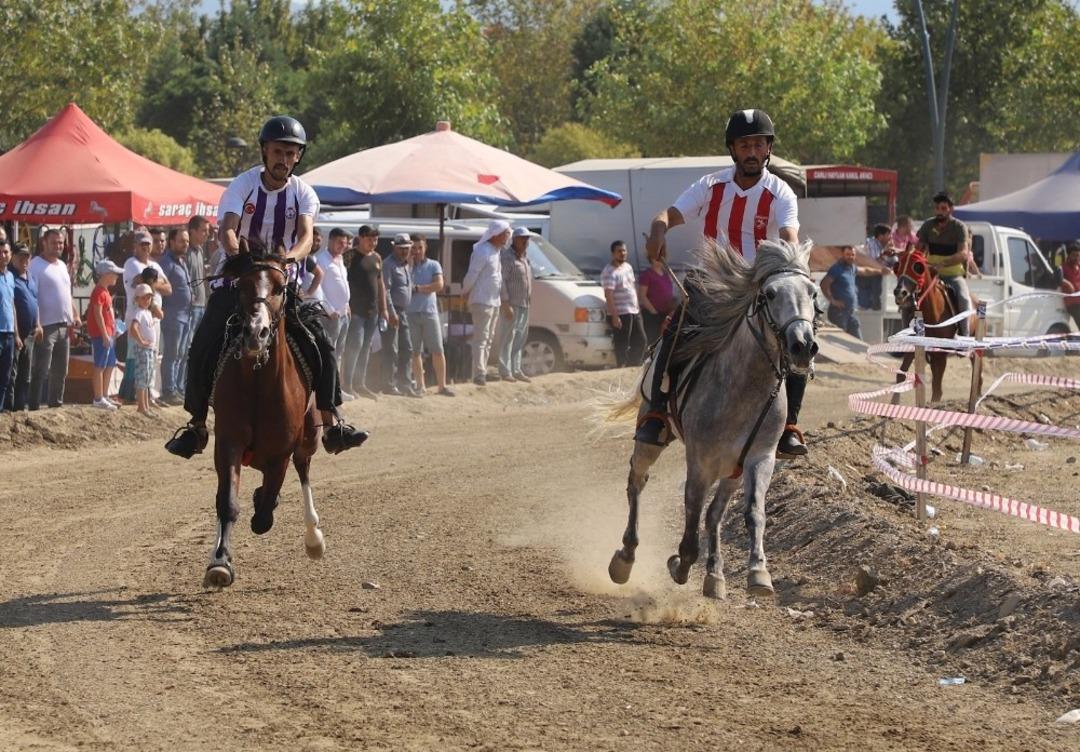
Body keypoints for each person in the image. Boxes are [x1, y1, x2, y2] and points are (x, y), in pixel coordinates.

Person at [166, 115, 368, 458]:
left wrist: (286, 261)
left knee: (323, 346)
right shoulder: (241, 186)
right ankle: (196, 425)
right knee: (201, 344)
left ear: (298, 157)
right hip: (238, 284)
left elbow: (306, 237)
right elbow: (227, 229)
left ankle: (332, 423)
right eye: (278, 152)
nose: (284, 160)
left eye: (292, 154)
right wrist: (237, 255)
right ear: (264, 151)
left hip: (282, 287)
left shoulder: (303, 193)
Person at [636, 108, 809, 456]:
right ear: (733, 149)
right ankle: (655, 412)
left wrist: (792, 260)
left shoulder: (781, 193)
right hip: (711, 284)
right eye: (745, 145)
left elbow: (790, 234)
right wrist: (658, 229)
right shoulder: (710, 185)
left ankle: (790, 424)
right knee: (674, 333)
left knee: (798, 339)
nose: (752, 152)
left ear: (768, 149)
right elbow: (669, 214)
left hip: (757, 287)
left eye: (759, 145)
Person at [29, 229, 81, 410]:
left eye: (60, 243)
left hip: (63, 326)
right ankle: (33, 406)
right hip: (46, 326)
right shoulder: (35, 265)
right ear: (44, 242)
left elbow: (67, 294)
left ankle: (55, 405)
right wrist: (37, 323)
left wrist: (74, 314)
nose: (58, 246)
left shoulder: (61, 265)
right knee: (41, 370)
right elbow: (31, 296)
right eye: (54, 242)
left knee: (61, 370)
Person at [120, 230, 171, 404]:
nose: (145, 247)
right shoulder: (131, 263)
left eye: (148, 244)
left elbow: (168, 288)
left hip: (152, 320)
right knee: (136, 357)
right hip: (138, 315)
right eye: (142, 244)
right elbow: (142, 285)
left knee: (151, 357)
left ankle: (148, 396)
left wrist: (152, 282)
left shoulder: (155, 265)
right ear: (135, 246)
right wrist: (155, 287)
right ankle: (132, 396)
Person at [917, 192, 972, 336]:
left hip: (952, 275)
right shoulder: (928, 225)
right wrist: (900, 252)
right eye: (937, 208)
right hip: (930, 275)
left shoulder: (959, 227)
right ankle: (907, 335)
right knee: (908, 298)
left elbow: (963, 253)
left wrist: (943, 264)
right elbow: (918, 249)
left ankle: (964, 337)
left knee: (964, 298)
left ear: (950, 209)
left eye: (943, 208)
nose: (939, 212)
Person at [462, 220, 509, 386]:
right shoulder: (482, 251)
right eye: (504, 234)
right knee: (481, 338)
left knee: (489, 338)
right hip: (482, 300)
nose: (506, 237)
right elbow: (472, 274)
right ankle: (479, 373)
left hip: (493, 301)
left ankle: (482, 370)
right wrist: (464, 291)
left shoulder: (496, 252)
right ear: (495, 234)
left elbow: (498, 279)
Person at [408, 233, 455, 396]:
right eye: (413, 248)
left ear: (425, 247)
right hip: (411, 313)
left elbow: (439, 285)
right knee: (414, 351)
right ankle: (420, 385)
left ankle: (441, 386)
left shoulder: (434, 265)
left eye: (420, 247)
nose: (417, 251)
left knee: (437, 349)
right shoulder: (407, 266)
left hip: (429, 312)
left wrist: (417, 289)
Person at [342, 225, 385, 399]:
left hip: (372, 311)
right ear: (360, 238)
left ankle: (361, 384)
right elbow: (341, 281)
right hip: (356, 310)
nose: (373, 243)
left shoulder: (377, 257)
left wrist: (384, 309)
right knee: (354, 346)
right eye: (370, 239)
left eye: (375, 239)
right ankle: (348, 384)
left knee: (366, 347)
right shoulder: (349, 257)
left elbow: (381, 284)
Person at [316, 228, 352, 397]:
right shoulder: (321, 260)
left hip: (343, 313)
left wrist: (347, 305)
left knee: (339, 353)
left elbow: (342, 284)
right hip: (330, 315)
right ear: (330, 241)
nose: (342, 246)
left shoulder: (340, 259)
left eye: (344, 244)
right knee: (329, 353)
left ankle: (336, 388)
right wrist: (329, 309)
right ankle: (327, 390)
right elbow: (319, 289)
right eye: (339, 243)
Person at [382, 233, 419, 397]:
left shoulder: (405, 264)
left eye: (406, 248)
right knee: (392, 349)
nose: (404, 251)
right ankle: (389, 384)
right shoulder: (388, 264)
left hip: (403, 311)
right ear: (394, 248)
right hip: (394, 311)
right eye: (401, 248)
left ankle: (405, 383)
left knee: (407, 348)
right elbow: (386, 289)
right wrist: (391, 312)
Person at [821, 245, 884, 340]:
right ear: (842, 255)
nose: (850, 257)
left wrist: (881, 271)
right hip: (839, 313)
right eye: (848, 254)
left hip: (850, 312)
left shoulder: (852, 268)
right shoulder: (836, 269)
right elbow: (824, 284)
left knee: (858, 341)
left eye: (852, 254)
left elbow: (865, 271)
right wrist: (832, 301)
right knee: (841, 342)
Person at [160, 227, 192, 405]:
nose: (185, 244)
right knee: (171, 354)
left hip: (185, 315)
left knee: (181, 354)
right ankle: (168, 390)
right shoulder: (167, 262)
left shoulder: (182, 261)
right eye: (182, 241)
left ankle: (177, 388)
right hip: (172, 316)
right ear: (172, 242)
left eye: (187, 241)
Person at [497, 227, 534, 382]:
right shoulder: (507, 257)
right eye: (522, 238)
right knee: (508, 337)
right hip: (511, 303)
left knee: (520, 337)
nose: (525, 241)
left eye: (527, 238)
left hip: (524, 304)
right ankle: (505, 371)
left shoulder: (525, 258)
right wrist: (505, 303)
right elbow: (502, 281)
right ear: (514, 239)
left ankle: (516, 369)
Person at [602, 240, 646, 368]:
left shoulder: (628, 267)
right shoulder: (609, 272)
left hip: (634, 310)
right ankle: (621, 366)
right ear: (613, 253)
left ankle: (633, 366)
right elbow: (608, 295)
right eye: (619, 251)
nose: (622, 253)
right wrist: (615, 316)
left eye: (624, 250)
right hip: (621, 312)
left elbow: (632, 287)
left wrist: (638, 306)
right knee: (623, 342)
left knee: (641, 340)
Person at [87, 259, 124, 410]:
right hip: (101, 336)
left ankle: (104, 395)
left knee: (110, 364)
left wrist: (112, 331)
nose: (116, 276)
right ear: (105, 274)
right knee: (100, 365)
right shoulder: (98, 292)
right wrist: (103, 334)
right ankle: (98, 397)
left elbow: (106, 314)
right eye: (114, 273)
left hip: (108, 335)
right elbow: (98, 314)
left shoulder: (105, 292)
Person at [8, 243, 40, 411]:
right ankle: (10, 408)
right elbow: (10, 305)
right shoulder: (9, 277)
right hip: (16, 334)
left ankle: (20, 407)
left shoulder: (31, 277)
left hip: (30, 334)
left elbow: (35, 302)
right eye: (20, 256)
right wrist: (16, 334)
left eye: (27, 256)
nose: (24, 260)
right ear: (12, 257)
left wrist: (39, 324)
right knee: (12, 374)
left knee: (25, 375)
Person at [182, 215, 211, 392]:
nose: (206, 235)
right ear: (192, 231)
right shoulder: (186, 252)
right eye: (203, 231)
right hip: (190, 306)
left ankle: (191, 383)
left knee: (197, 346)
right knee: (186, 347)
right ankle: (181, 385)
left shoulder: (200, 250)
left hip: (202, 304)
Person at [637, 247, 678, 344]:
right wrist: (653, 312)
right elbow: (642, 295)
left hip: (665, 314)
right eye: (657, 257)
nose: (659, 259)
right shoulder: (647, 274)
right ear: (651, 258)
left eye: (662, 257)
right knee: (652, 341)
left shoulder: (666, 274)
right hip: (652, 315)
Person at [129, 283, 157, 416]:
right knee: (142, 377)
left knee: (147, 377)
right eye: (144, 298)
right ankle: (142, 406)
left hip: (149, 349)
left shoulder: (147, 312)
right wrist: (141, 341)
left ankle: (145, 405)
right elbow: (133, 327)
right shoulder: (139, 312)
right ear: (137, 299)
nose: (147, 300)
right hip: (143, 350)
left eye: (149, 298)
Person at [0, 233, 19, 412]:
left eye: (6, 252)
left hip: (9, 333)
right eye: (0, 252)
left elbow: (12, 305)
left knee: (6, 375)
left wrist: (17, 333)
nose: (3, 255)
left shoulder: (11, 277)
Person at [857, 224, 892, 310]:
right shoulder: (871, 244)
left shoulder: (880, 246)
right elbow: (873, 264)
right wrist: (885, 253)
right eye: (888, 235)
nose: (890, 237)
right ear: (880, 236)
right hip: (867, 280)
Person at [1061, 242, 1080, 330]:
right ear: (1069, 255)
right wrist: (1068, 284)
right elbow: (1057, 278)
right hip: (1073, 304)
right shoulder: (1063, 268)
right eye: (1074, 255)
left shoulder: (1079, 267)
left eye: (1078, 255)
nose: (1076, 258)